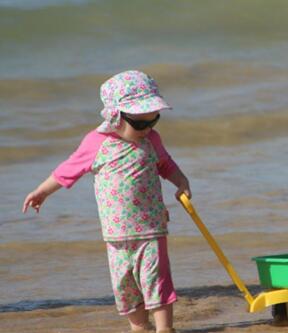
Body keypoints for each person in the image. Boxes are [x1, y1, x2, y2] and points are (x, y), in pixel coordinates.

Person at [22, 70, 190, 333]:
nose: (147, 129)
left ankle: (165, 328)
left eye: (153, 121)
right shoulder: (96, 143)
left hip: (151, 228)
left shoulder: (151, 140)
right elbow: (68, 169)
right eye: (140, 124)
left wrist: (181, 181)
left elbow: (166, 164)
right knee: (125, 286)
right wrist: (42, 191)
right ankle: (139, 327)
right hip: (115, 234)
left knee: (156, 280)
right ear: (115, 116)